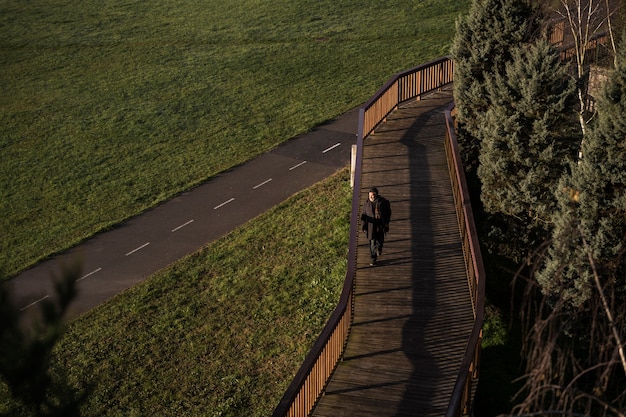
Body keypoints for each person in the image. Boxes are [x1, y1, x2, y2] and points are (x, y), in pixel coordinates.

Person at [361, 187, 391, 266]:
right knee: (372, 243)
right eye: (370, 195)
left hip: (380, 225)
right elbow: (363, 216)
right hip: (371, 227)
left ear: (377, 194)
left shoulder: (383, 202)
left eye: (374, 195)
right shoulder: (366, 204)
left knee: (380, 240)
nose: (372, 196)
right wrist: (363, 226)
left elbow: (388, 213)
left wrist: (387, 223)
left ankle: (379, 248)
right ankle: (373, 258)